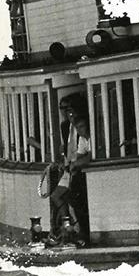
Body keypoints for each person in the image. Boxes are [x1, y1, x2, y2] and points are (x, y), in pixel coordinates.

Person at [48, 95, 91, 246]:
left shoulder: (83, 128)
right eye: (63, 109)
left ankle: (74, 229)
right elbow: (69, 148)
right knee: (56, 195)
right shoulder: (65, 126)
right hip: (70, 166)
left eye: (69, 109)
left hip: (77, 168)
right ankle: (67, 227)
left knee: (72, 196)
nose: (66, 113)